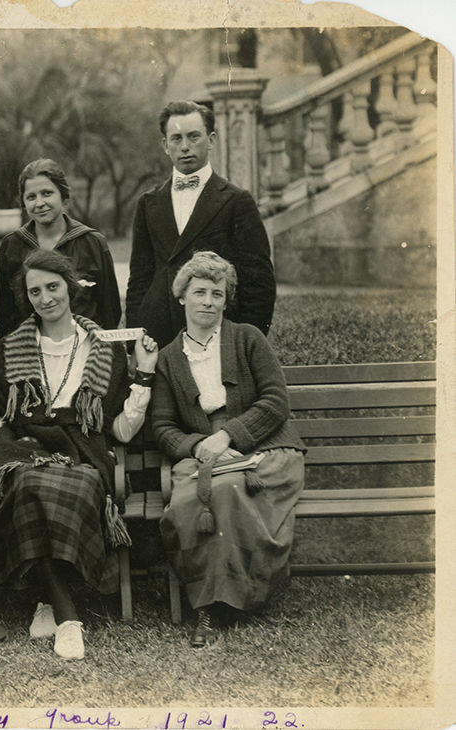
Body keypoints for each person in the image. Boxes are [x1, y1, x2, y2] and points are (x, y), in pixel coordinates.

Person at [0, 250, 159, 660]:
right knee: (28, 481)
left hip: (84, 454)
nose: (46, 298)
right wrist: (9, 447)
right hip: (24, 452)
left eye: (53, 287)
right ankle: (68, 617)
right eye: (35, 291)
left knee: (68, 483)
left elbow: (120, 430)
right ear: (26, 297)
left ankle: (46, 600)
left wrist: (144, 373)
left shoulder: (104, 349)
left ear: (70, 287)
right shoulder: (8, 348)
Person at [151, 251, 305, 648]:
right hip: (203, 455)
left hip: (266, 450)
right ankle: (213, 600)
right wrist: (201, 445)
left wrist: (228, 437)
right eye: (199, 292)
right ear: (181, 297)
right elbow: (163, 427)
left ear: (225, 300)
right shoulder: (168, 359)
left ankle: (218, 606)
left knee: (227, 489)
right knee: (196, 498)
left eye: (217, 294)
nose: (208, 302)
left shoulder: (247, 338)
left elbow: (275, 402)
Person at [125, 100, 276, 349]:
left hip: (217, 335)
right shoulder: (148, 203)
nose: (185, 146)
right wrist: (135, 343)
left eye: (194, 136)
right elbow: (139, 280)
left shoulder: (236, 201)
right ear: (165, 145)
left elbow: (259, 283)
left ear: (211, 140)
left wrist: (245, 344)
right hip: (158, 338)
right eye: (176, 138)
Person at [0, 158, 121, 337]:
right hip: (29, 347)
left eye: (47, 193)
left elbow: (110, 310)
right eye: (31, 197)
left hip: (85, 345)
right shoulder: (12, 245)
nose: (39, 203)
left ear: (64, 199)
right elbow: (5, 314)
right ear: (23, 203)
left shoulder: (92, 242)